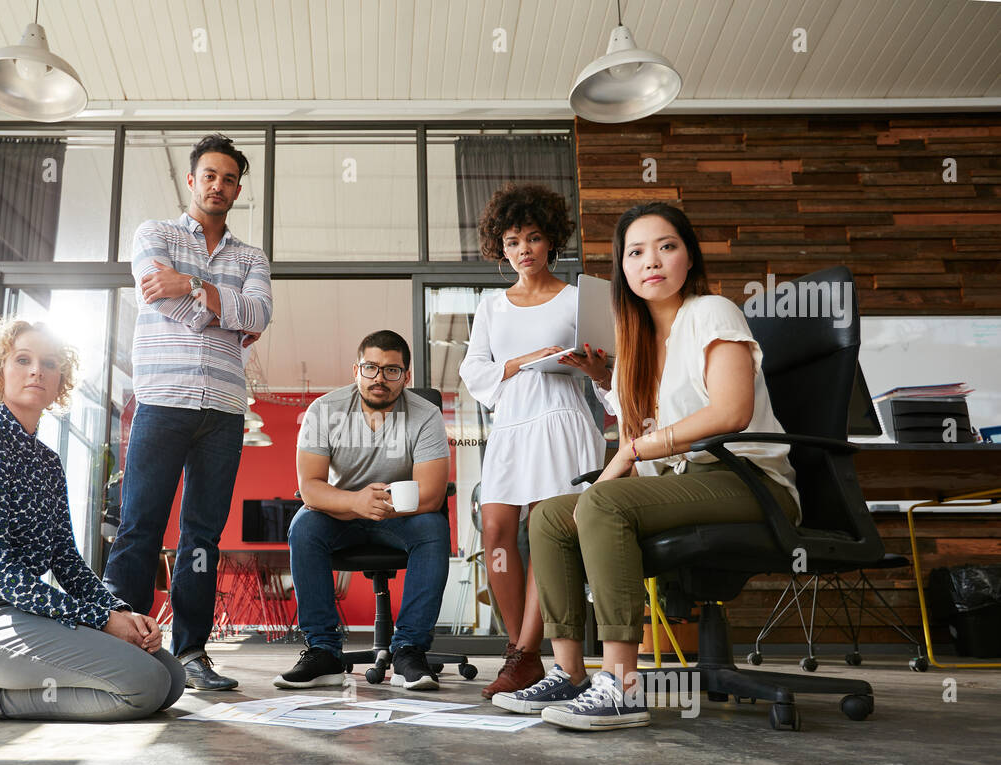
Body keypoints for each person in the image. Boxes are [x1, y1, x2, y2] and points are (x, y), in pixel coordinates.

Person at [527, 201, 801, 730]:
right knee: (550, 516)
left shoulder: (712, 311)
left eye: (666, 246)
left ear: (688, 258)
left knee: (601, 503)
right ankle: (569, 674)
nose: (651, 261)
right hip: (678, 485)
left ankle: (622, 687)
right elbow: (630, 447)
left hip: (745, 480)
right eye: (636, 252)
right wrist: (594, 494)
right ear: (623, 271)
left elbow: (731, 411)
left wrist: (631, 456)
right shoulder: (632, 347)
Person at [0, 319, 185, 721]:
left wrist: (122, 613)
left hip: (22, 609)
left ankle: (1, 679)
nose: (37, 370)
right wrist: (102, 621)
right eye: (23, 359)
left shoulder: (48, 462)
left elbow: (67, 561)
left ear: (60, 382)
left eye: (50, 363)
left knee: (171, 676)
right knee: (146, 686)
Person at [102, 134, 272, 691]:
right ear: (193, 180)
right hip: (160, 403)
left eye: (228, 179)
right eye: (209, 176)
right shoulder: (155, 233)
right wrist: (222, 311)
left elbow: (259, 315)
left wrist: (196, 286)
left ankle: (192, 651)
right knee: (139, 529)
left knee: (202, 537)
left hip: (223, 411)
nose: (218, 186)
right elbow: (161, 297)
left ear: (237, 189)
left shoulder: (251, 257)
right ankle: (121, 645)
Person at [458, 182, 607, 705]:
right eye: (514, 240)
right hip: (511, 429)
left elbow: (608, 371)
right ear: (501, 247)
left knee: (547, 536)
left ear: (552, 242)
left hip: (563, 422)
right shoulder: (492, 307)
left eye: (534, 238)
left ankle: (523, 655)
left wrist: (594, 367)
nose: (524, 249)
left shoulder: (579, 298)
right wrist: (524, 359)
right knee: (496, 532)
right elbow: (475, 371)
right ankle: (522, 652)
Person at [275, 330, 451, 691]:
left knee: (433, 527)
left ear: (407, 376)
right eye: (371, 368)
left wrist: (379, 505)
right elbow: (310, 487)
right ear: (356, 369)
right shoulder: (324, 410)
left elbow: (432, 495)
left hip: (400, 518)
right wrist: (354, 502)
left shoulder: (426, 415)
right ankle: (323, 652)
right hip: (342, 514)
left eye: (391, 371)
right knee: (303, 527)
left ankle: (408, 652)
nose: (379, 379)